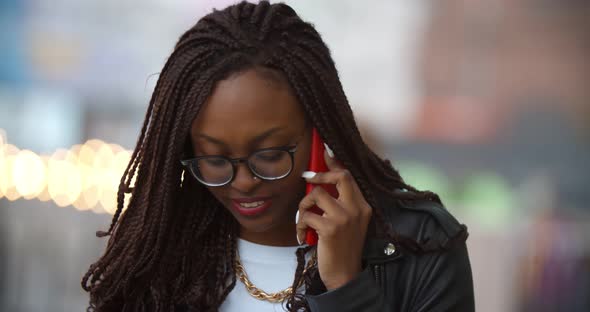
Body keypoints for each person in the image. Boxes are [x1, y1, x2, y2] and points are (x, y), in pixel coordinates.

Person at [82, 1, 475, 311]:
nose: (243, 181)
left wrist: (346, 288)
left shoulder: (421, 246)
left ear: (320, 129)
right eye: (215, 160)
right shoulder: (161, 248)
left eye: (269, 153)